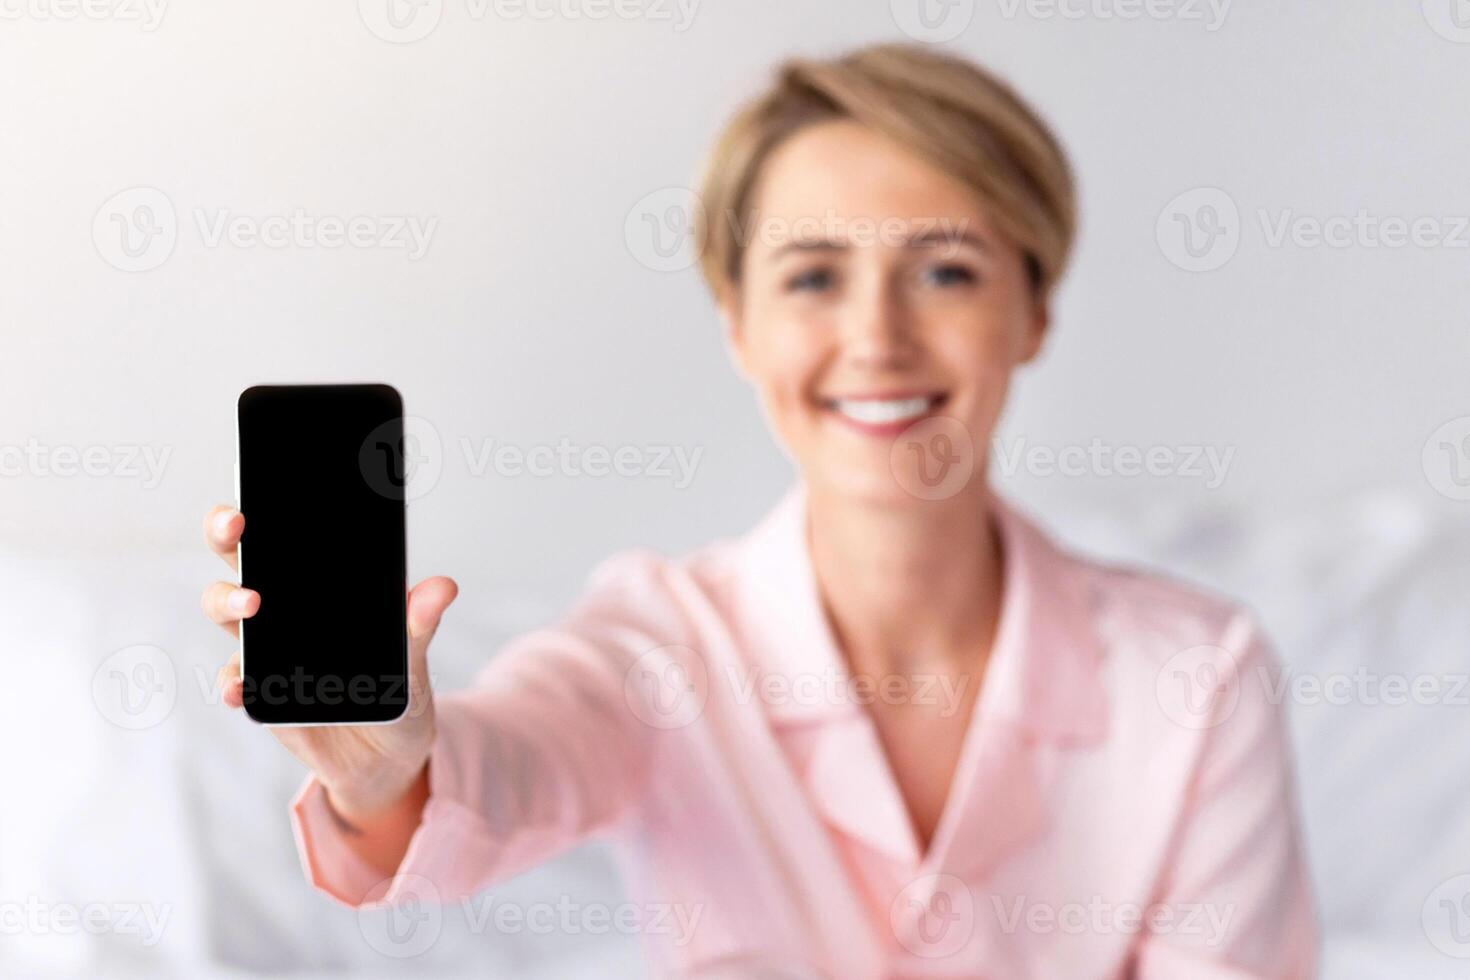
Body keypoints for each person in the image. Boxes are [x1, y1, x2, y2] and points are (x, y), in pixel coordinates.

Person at [200, 42, 1317, 978]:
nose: (877, 338)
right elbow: (523, 754)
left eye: (947, 272)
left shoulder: (1201, 675)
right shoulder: (659, 640)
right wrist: (394, 769)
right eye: (812, 276)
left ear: (1034, 309)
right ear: (738, 325)